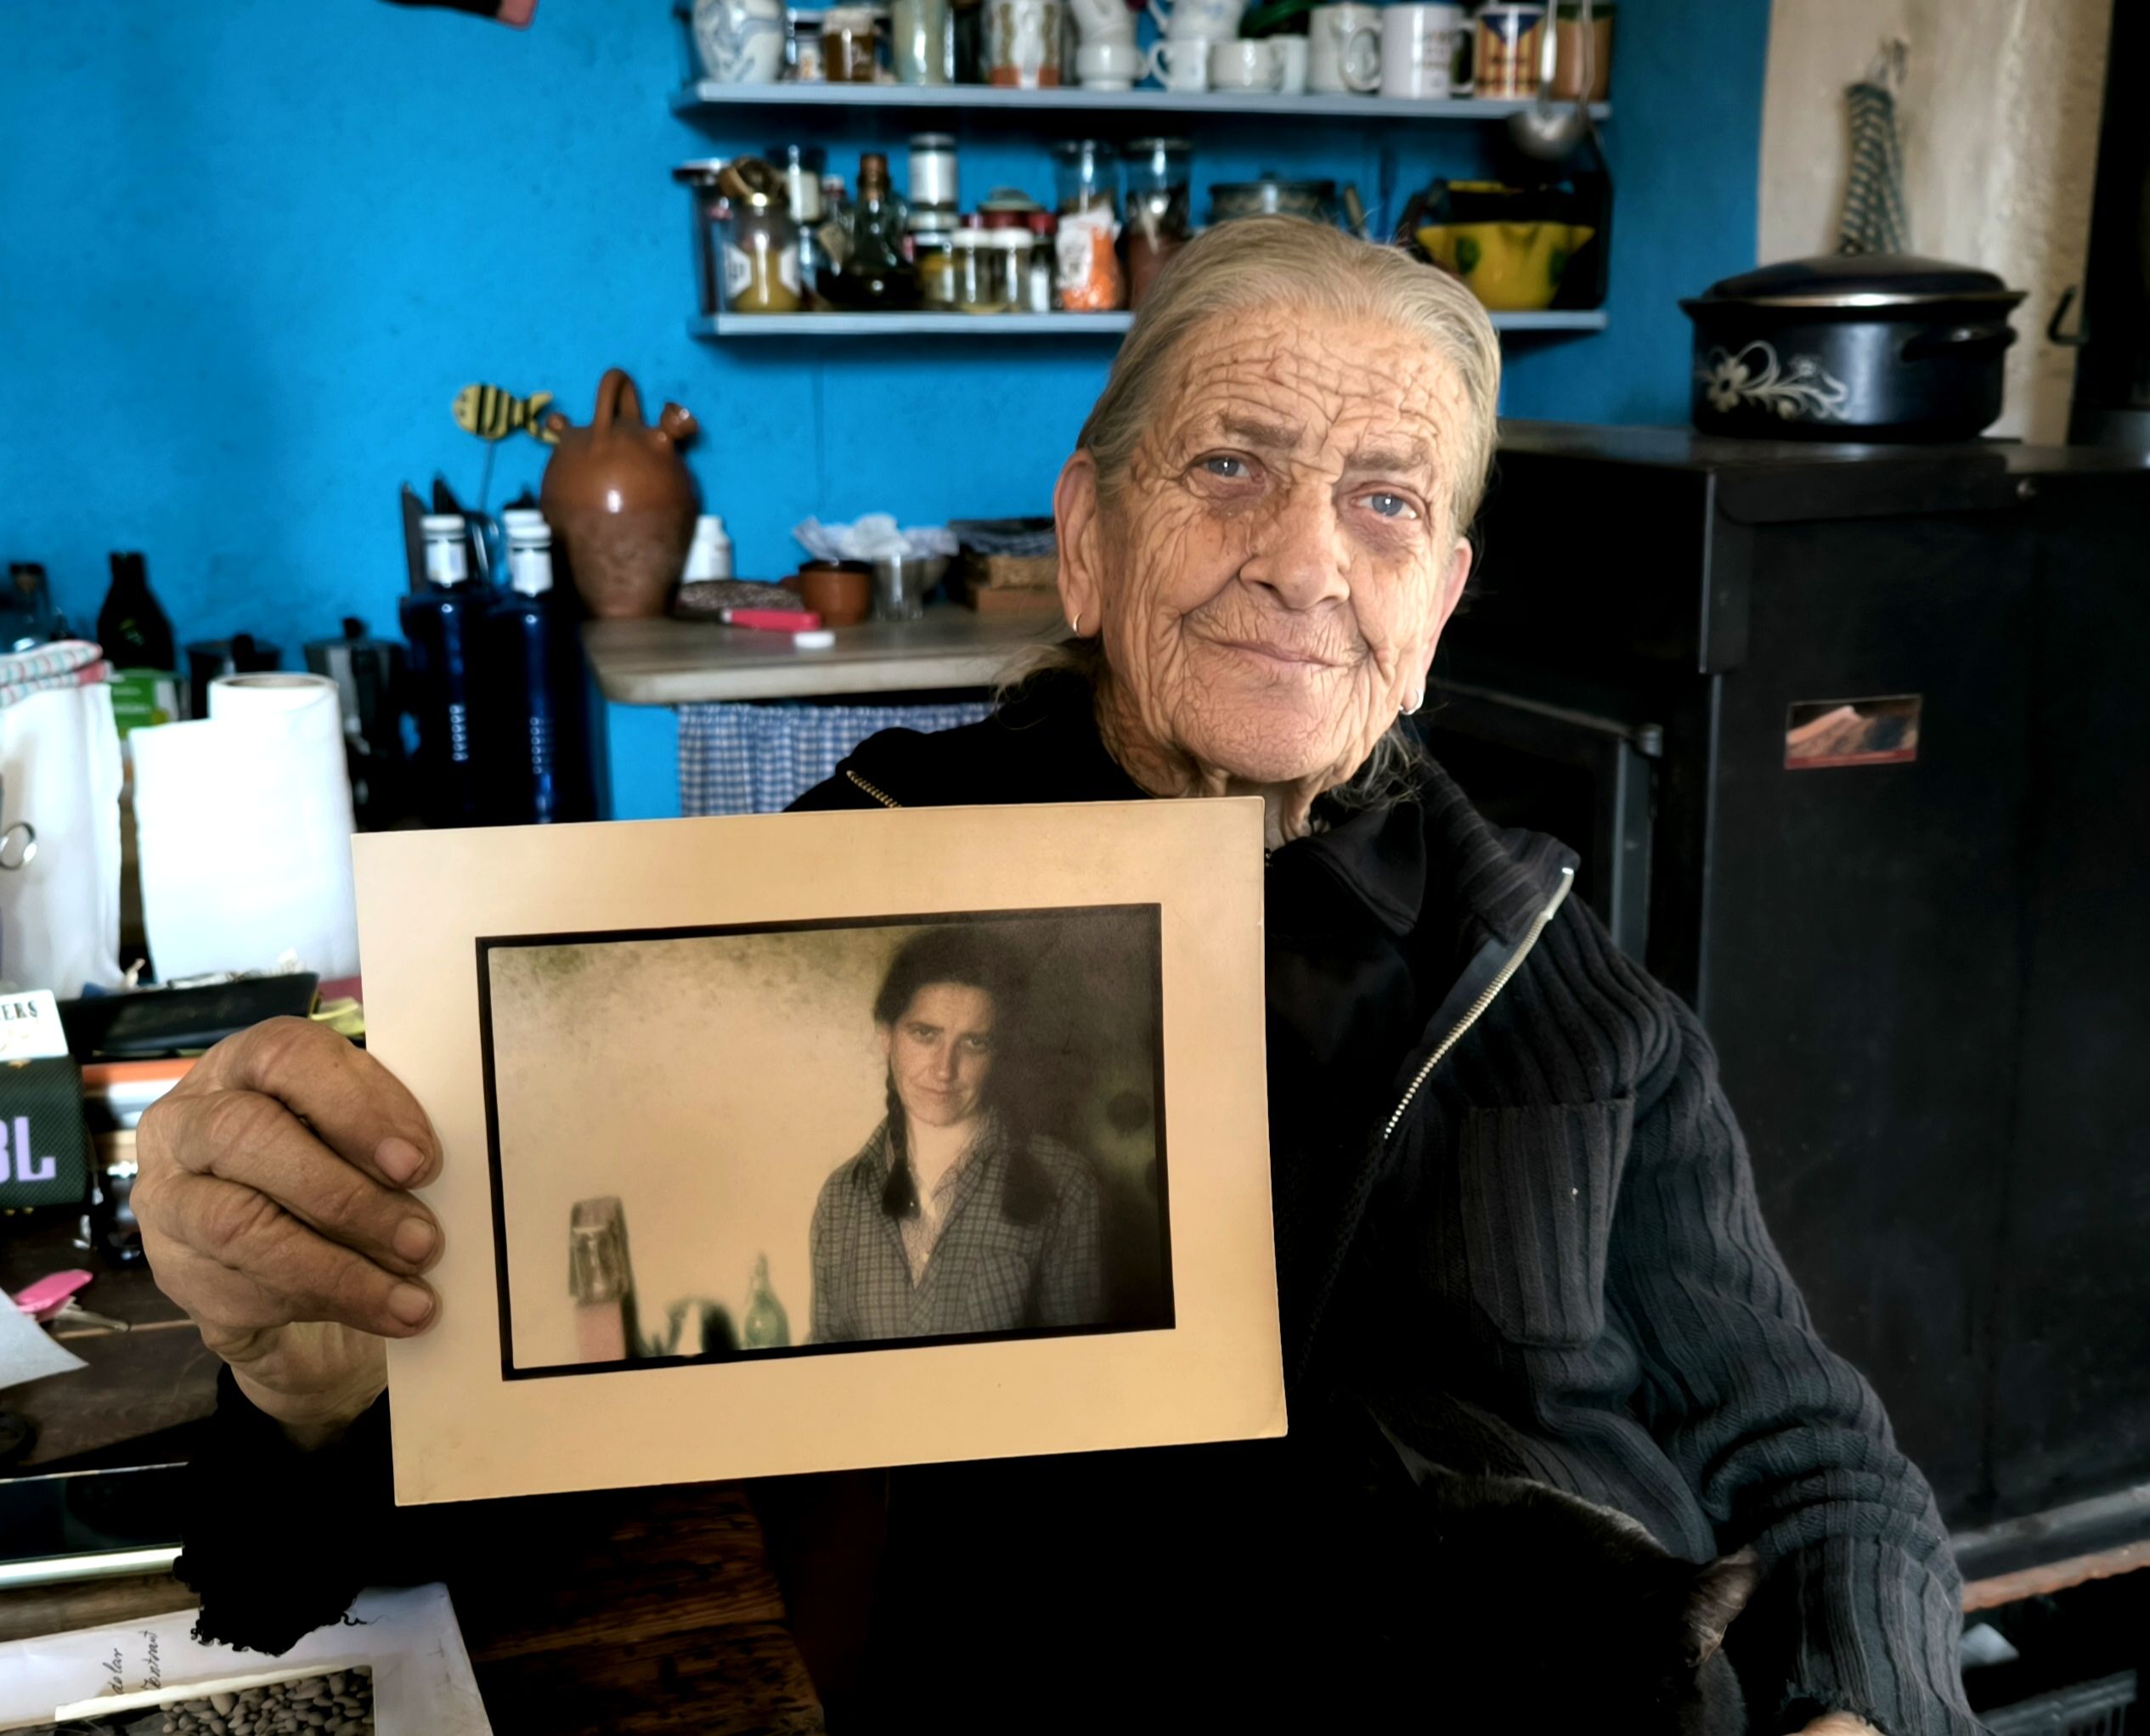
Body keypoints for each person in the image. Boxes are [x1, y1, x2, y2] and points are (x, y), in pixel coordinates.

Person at [135, 217, 1975, 1734]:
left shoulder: (1554, 971)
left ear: (1436, 606)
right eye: (1232, 465)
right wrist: (310, 1387)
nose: (1301, 558)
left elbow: (1808, 1448)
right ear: (1085, 541)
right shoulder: (818, 916)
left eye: (1384, 499)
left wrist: (1863, 1710)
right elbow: (495, 1471)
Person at [808, 926, 1103, 1344]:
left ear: (997, 1053)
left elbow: (1081, 1365)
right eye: (926, 1034)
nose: (945, 1069)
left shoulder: (1064, 1183)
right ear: (887, 1037)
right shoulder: (841, 1198)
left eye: (974, 1043)